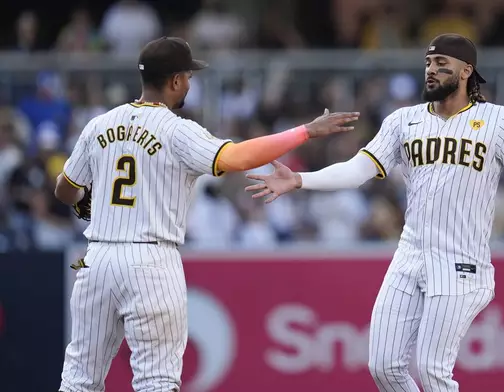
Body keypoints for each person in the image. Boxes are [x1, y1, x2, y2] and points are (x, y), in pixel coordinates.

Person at [246, 34, 504, 391]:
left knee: (430, 370)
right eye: (429, 63)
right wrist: (300, 179)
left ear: (466, 70)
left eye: (443, 64)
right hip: (410, 255)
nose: (432, 70)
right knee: (383, 366)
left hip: (461, 262)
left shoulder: (498, 120)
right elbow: (357, 170)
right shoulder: (403, 121)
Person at [53, 36, 358, 392]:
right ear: (176, 81)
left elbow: (65, 187)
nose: (189, 83)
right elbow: (238, 158)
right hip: (152, 259)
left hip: (97, 258)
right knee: (156, 381)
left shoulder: (100, 124)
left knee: (79, 379)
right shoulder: (177, 130)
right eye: (188, 76)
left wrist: (81, 201)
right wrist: (305, 131)